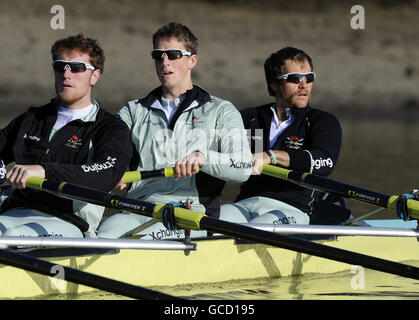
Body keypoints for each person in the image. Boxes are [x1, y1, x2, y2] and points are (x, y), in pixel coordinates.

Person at [98, 22, 252, 239]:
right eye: (158, 55)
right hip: (136, 207)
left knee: (139, 242)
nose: (164, 62)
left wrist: (203, 158)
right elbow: (109, 154)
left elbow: (244, 168)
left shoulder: (221, 110)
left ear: (192, 60)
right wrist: (112, 170)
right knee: (101, 237)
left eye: (173, 55)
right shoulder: (132, 111)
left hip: (190, 212)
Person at [0, 34, 132, 238]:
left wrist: (45, 171)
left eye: (77, 68)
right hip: (13, 212)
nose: (67, 74)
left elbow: (106, 174)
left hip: (69, 222)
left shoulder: (110, 128)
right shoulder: (32, 118)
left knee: (10, 238)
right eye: (60, 66)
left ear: (94, 76)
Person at [219, 46, 348, 226]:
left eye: (309, 78)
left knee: (256, 229)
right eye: (295, 79)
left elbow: (325, 161)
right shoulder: (249, 118)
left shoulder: (321, 121)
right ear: (274, 84)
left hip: (293, 208)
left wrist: (271, 156)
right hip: (245, 204)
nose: (304, 85)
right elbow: (214, 158)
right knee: (211, 220)